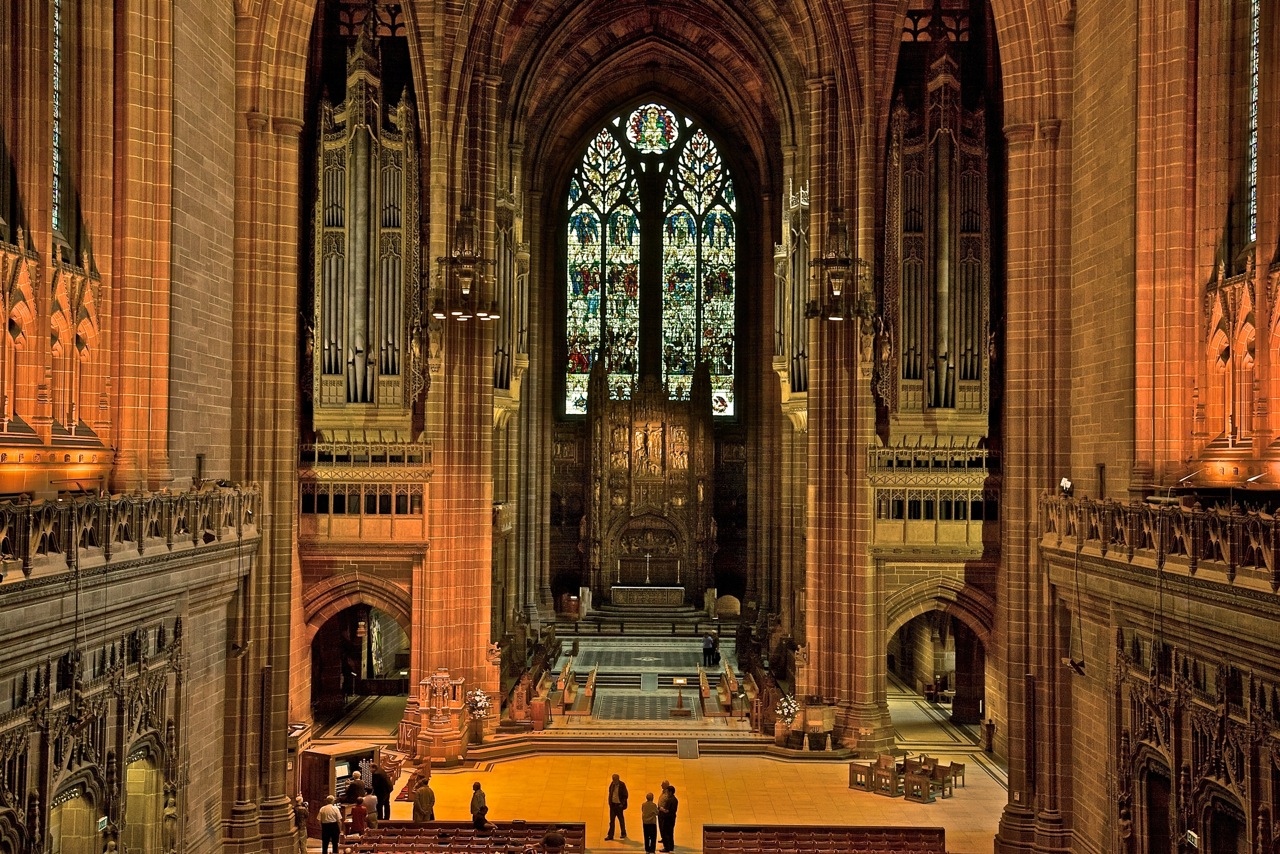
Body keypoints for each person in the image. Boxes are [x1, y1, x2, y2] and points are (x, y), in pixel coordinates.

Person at [606, 773, 629, 840]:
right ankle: (610, 835)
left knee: (621, 820)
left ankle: (623, 833)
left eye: (614, 779)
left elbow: (625, 795)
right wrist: (610, 802)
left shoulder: (622, 785)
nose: (613, 781)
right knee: (611, 821)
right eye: (613, 779)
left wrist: (622, 804)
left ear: (618, 779)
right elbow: (610, 792)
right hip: (613, 805)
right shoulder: (612, 784)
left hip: (619, 806)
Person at [657, 783, 678, 852]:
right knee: (670, 833)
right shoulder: (675, 799)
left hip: (667, 819)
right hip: (672, 818)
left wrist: (661, 809)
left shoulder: (670, 800)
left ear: (670, 792)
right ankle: (671, 847)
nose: (667, 793)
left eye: (668, 792)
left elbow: (667, 810)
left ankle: (666, 847)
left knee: (666, 833)